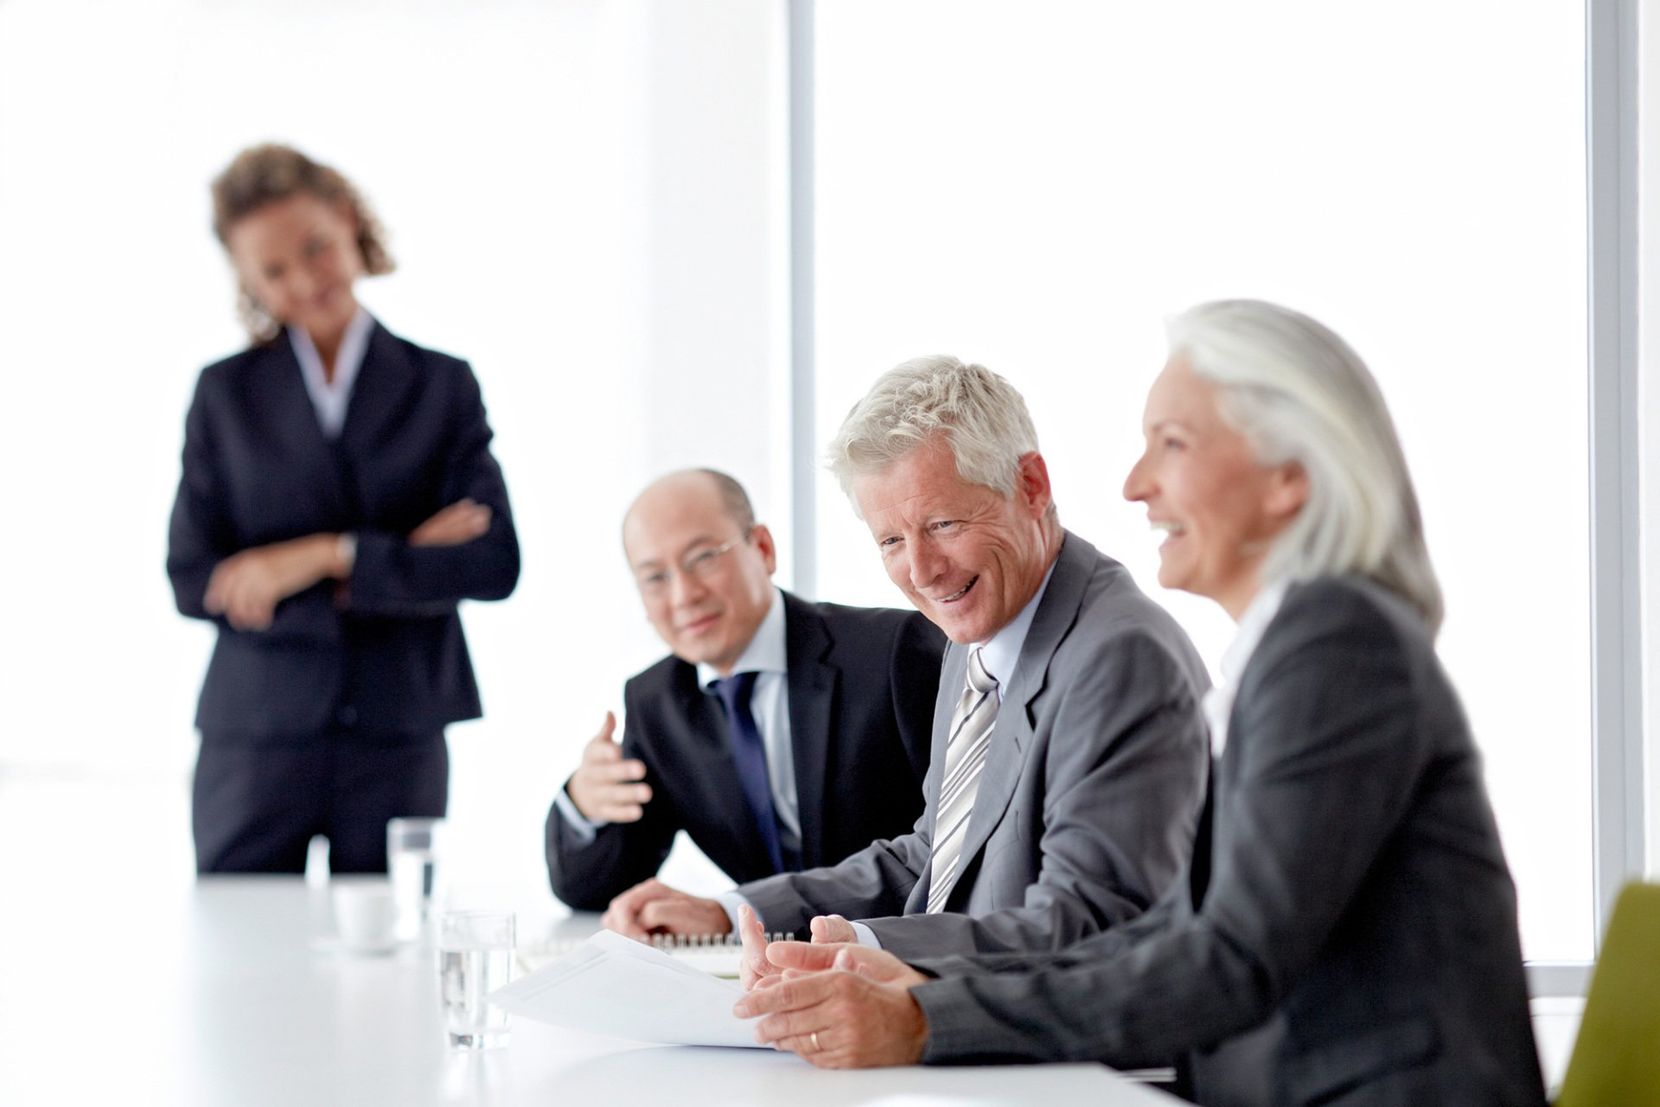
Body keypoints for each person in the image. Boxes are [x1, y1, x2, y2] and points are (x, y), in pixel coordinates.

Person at [734, 301, 1548, 1107]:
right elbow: (1183, 937)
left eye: (1174, 443)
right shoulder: (1292, 648)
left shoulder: (1335, 648)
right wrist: (908, 982)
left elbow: (1225, 959)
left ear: (1289, 475)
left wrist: (920, 1016)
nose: (1134, 484)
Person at [603, 358, 1210, 961]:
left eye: (943, 524)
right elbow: (932, 853)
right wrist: (735, 914)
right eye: (891, 541)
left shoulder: (1117, 656)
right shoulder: (980, 638)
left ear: (1032, 486)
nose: (922, 573)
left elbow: (1086, 927)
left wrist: (866, 948)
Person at [167, 144, 520, 874]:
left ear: (351, 222)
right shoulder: (224, 395)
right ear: (247, 279)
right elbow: (194, 577)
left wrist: (320, 556)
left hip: (397, 732)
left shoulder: (440, 385)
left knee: (391, 967)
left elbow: (490, 562)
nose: (303, 280)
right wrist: (399, 556)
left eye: (316, 247)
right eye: (273, 270)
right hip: (255, 737)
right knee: (242, 961)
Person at [545, 469, 946, 911]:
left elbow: (955, 847)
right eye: (655, 578)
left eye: (702, 558)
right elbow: (593, 888)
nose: (683, 596)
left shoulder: (891, 652)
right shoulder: (655, 702)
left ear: (763, 548)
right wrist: (583, 804)